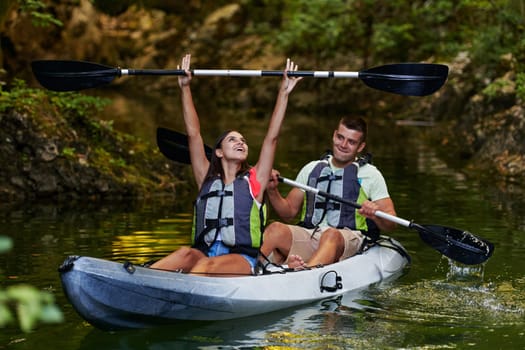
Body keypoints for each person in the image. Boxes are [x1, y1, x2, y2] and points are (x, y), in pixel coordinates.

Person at [151, 54, 302, 276]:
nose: (240, 142)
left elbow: (271, 138)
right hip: (204, 253)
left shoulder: (255, 180)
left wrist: (284, 92)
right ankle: (137, 281)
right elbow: (193, 134)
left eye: (243, 140)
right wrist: (185, 88)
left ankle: (183, 292)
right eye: (233, 139)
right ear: (219, 152)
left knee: (204, 267)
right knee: (184, 254)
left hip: (241, 259)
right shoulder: (206, 178)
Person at [260, 116, 397, 269]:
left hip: (346, 237)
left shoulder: (371, 174)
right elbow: (289, 212)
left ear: (360, 147)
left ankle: (305, 276)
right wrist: (272, 190)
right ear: (334, 135)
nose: (343, 145)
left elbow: (391, 223)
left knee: (330, 234)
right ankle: (245, 270)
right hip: (310, 234)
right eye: (340, 137)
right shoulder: (312, 168)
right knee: (275, 229)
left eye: (351, 142)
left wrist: (375, 214)